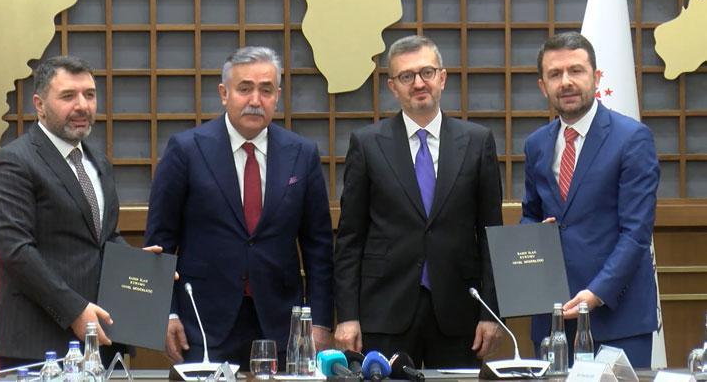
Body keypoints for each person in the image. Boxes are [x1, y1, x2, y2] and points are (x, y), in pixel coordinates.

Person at [145, 46, 333, 369]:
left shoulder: (302, 154)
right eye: (245, 89)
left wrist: (320, 322)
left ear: (278, 96)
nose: (255, 100)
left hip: (281, 324)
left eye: (266, 90)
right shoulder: (186, 150)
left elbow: (318, 247)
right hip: (203, 323)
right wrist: (166, 313)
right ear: (224, 93)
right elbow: (159, 243)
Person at [334, 35, 503, 368]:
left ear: (442, 77)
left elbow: (491, 235)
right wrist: (347, 315)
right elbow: (350, 238)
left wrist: (492, 312)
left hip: (459, 312)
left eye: (427, 72)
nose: (419, 83)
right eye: (406, 76)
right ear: (392, 87)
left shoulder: (477, 141)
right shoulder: (367, 144)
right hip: (385, 309)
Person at [522, 32, 659, 367]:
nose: (566, 82)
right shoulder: (536, 144)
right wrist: (535, 236)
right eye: (555, 74)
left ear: (596, 78)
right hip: (553, 318)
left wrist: (596, 294)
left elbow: (636, 233)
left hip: (616, 317)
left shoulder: (632, 139)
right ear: (543, 86)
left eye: (576, 71)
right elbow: (530, 214)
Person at [0, 56, 132, 368]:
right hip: (39, 343)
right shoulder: (14, 161)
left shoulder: (98, 161)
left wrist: (140, 267)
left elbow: (104, 237)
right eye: (68, 96)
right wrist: (74, 311)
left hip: (99, 337)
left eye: (89, 95)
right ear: (39, 105)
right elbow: (16, 251)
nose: (82, 106)